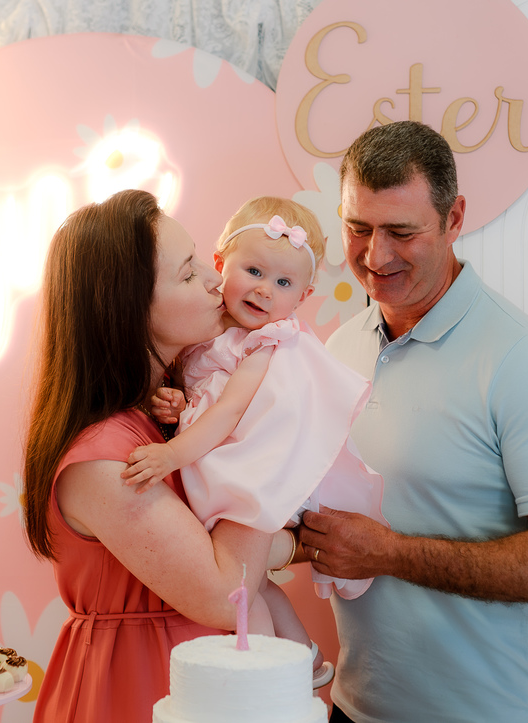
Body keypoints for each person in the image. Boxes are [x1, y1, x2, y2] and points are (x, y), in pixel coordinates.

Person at [298, 121, 528, 723]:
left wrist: (390, 554)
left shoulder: (522, 359)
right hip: (355, 708)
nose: (375, 255)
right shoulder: (339, 348)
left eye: (401, 232)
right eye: (358, 228)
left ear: (454, 218)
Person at [21, 189, 297, 723]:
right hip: (133, 691)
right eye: (189, 273)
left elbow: (227, 547)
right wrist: (264, 432)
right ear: (128, 312)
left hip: (197, 688)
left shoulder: (170, 418)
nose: (217, 279)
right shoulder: (105, 462)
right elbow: (228, 592)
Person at [121, 196, 388, 687]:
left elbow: (227, 412)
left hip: (260, 472)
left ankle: (264, 679)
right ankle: (305, 657)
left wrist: (170, 454)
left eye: (283, 283)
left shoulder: (264, 342)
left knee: (240, 590)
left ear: (302, 297)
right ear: (220, 263)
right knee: (255, 581)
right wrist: (177, 404)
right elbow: (200, 395)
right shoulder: (205, 328)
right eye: (254, 271)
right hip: (228, 463)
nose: (265, 290)